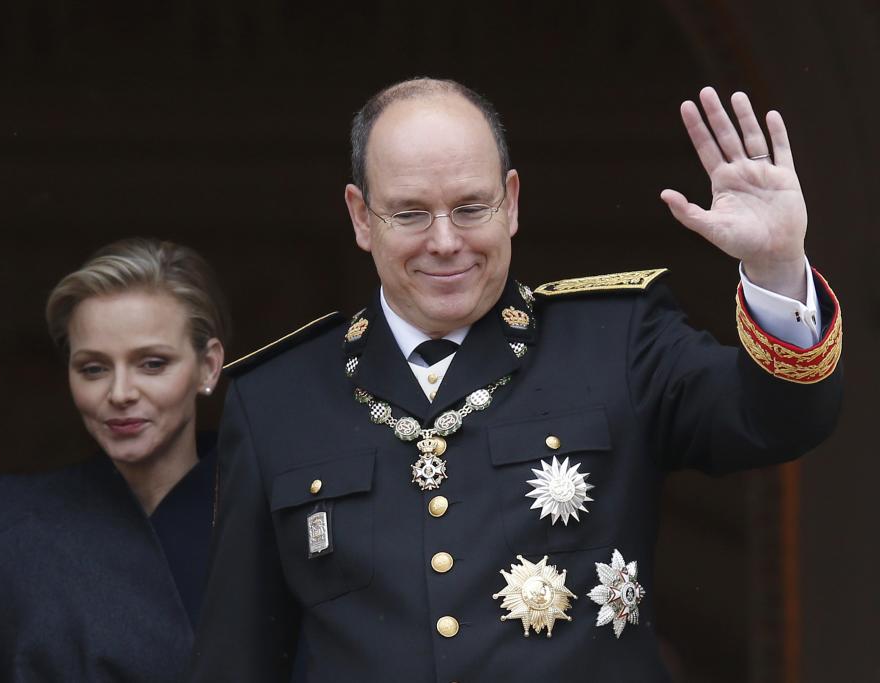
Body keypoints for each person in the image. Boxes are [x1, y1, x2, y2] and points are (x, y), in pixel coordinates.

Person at [191, 79, 842, 682]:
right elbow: (237, 658)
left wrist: (776, 266)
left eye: (471, 207)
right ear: (362, 216)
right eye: (411, 214)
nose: (445, 242)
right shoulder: (276, 400)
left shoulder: (617, 341)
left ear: (513, 202)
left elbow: (780, 419)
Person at [0, 238, 229, 682]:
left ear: (208, 367)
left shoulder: (271, 514)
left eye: (153, 364)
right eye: (93, 368)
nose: (120, 393)